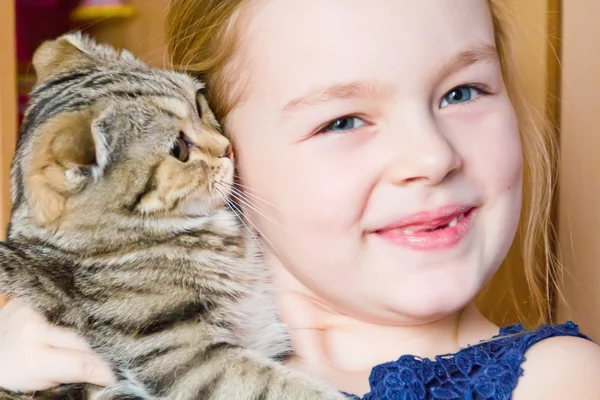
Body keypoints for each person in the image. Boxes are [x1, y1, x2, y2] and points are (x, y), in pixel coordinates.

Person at [1, 0, 600, 398]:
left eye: (462, 91)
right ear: (230, 142)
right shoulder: (51, 348)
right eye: (341, 121)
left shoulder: (556, 379)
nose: (432, 157)